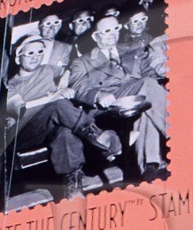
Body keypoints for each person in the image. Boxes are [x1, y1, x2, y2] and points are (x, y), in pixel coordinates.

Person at [3, 25, 120, 198]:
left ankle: (72, 187)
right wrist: (55, 96)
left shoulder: (48, 70)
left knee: (65, 133)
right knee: (58, 105)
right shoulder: (10, 85)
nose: (36, 57)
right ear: (18, 58)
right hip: (25, 132)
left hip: (53, 124)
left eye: (39, 52)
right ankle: (96, 135)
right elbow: (21, 108)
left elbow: (70, 69)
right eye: (30, 54)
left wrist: (66, 79)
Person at [68, 10, 168, 177]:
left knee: (146, 102)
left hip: (138, 97)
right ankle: (178, 136)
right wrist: (98, 95)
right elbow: (78, 86)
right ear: (95, 37)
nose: (112, 34)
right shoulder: (82, 62)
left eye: (116, 29)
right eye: (106, 31)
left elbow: (149, 72)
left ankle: (149, 166)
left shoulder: (133, 49)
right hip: (110, 104)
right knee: (147, 86)